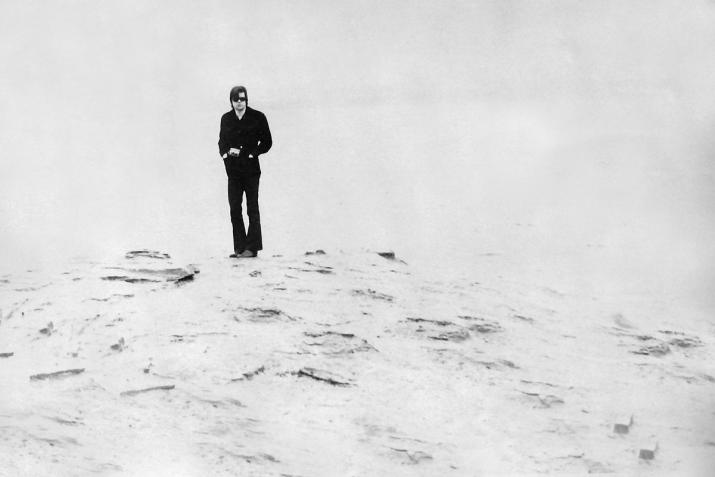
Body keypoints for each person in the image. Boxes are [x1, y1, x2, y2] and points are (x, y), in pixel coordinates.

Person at [218, 86, 272, 258]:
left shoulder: (258, 117)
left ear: (247, 99)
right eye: (236, 100)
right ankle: (239, 248)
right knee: (234, 209)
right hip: (233, 171)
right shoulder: (226, 119)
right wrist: (225, 155)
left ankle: (252, 248)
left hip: (251, 170)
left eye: (242, 99)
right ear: (231, 101)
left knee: (252, 208)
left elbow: (267, 142)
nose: (239, 103)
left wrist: (252, 153)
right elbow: (222, 142)